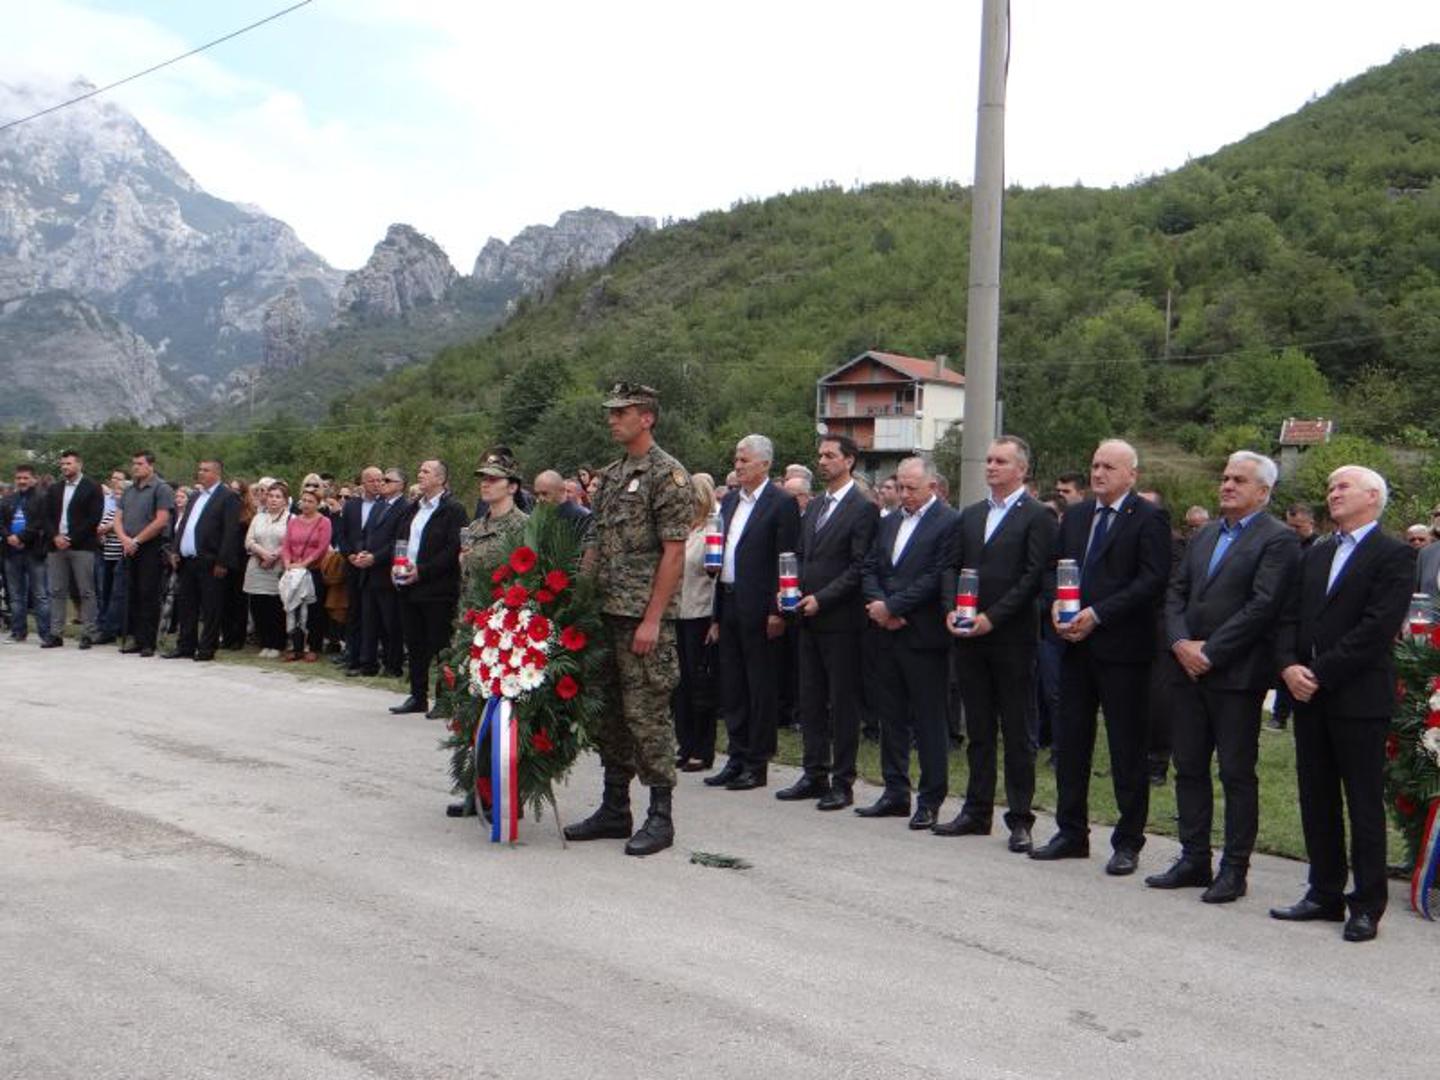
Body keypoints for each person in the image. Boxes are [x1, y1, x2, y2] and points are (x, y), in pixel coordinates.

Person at [1147, 452, 1300, 903]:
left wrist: (1210, 652)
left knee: (1235, 773)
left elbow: (1263, 605)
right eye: (1226, 477)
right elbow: (1176, 592)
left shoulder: (1278, 539)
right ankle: (1194, 858)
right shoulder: (1206, 533)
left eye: (1239, 480)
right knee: (1189, 767)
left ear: (1263, 492)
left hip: (1236, 676)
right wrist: (1180, 643)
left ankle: (1234, 869)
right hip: (1187, 672)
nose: (1227, 485)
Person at [1272, 466, 1414, 943]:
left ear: (1372, 496)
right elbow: (1289, 615)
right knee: (1317, 798)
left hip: (1357, 697)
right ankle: (1324, 891)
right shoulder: (1317, 551)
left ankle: (1367, 903)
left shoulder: (1393, 554)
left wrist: (1319, 673)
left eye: (1342, 486)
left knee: (1362, 802)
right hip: (1307, 696)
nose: (1332, 493)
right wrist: (1288, 666)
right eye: (1330, 486)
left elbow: (1377, 627)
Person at [1031, 439, 1170, 874]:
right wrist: (1057, 603)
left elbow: (1152, 581)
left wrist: (1097, 614)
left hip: (1123, 650)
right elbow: (1054, 568)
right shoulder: (1076, 515)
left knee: (1127, 748)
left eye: (1109, 467)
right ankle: (1070, 832)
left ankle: (1128, 841)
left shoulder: (1148, 517)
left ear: (1132, 475)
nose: (1098, 473)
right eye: (1094, 465)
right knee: (1072, 743)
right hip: (1075, 647)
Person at [564, 383, 692, 857]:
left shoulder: (668, 475)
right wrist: (580, 601)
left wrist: (652, 620)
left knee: (647, 715)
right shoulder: (613, 475)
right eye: (612, 412)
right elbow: (595, 543)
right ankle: (615, 807)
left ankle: (661, 815)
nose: (612, 420)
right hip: (605, 613)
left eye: (622, 412)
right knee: (610, 715)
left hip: (641, 617)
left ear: (647, 418)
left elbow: (674, 554)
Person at [935, 436, 1058, 853]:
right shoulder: (971, 515)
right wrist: (951, 609)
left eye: (1000, 461)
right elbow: (951, 566)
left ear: (1021, 469)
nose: (990, 466)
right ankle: (976, 810)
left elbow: (1033, 576)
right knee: (979, 728)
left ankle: (1020, 818)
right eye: (988, 460)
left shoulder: (1038, 516)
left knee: (1018, 731)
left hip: (1012, 639)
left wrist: (993, 617)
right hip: (969, 637)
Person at [775, 434, 878, 811]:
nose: (822, 461)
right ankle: (813, 772)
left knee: (843, 702)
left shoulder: (863, 508)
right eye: (819, 455)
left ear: (849, 461)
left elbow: (859, 566)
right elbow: (803, 554)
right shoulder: (816, 504)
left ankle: (842, 780)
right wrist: (789, 590)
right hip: (807, 617)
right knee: (811, 697)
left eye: (830, 455)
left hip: (842, 621)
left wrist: (823, 597)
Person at [856, 456, 959, 829]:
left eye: (911, 488)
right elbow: (870, 567)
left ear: (932, 487)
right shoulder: (889, 521)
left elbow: (937, 575)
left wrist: (895, 607)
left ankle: (930, 799)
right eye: (899, 486)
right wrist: (879, 606)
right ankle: (895, 791)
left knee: (929, 720)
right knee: (891, 715)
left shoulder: (948, 522)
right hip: (886, 631)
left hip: (923, 633)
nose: (903, 494)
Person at [703, 434, 801, 792]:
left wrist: (779, 610)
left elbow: (787, 559)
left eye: (744, 460)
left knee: (759, 686)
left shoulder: (781, 503)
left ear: (765, 463)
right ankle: (736, 755)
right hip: (729, 600)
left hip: (761, 608)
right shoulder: (730, 501)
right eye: (737, 459)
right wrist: (716, 615)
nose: (738, 466)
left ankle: (757, 762)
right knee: (733, 685)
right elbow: (721, 552)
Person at [389, 460, 468, 716]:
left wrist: (422, 571)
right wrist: (396, 565)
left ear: (441, 479)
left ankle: (444, 699)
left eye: (426, 471)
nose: (420, 474)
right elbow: (400, 540)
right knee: (415, 644)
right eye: (420, 470)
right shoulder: (413, 507)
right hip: (407, 586)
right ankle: (417, 696)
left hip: (437, 589)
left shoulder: (453, 510)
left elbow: (453, 549)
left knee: (440, 645)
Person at [164, 459, 241, 662]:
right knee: (187, 605)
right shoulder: (195, 496)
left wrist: (222, 562)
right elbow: (184, 524)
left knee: (211, 607)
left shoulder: (228, 497)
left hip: (210, 561)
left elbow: (230, 532)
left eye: (206, 470)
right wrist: (175, 549)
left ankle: (207, 648)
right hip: (188, 560)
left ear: (217, 473)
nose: (201, 473)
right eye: (199, 469)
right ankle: (186, 645)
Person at [673, 474, 721, 773]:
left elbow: (716, 577)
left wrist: (717, 620)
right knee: (680, 685)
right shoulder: (681, 530)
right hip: (677, 613)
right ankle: (685, 742)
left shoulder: (711, 530)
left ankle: (703, 748)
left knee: (700, 684)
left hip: (700, 613)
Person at [39, 450, 103, 648]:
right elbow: (46, 516)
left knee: (86, 591)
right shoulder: (55, 488)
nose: (65, 467)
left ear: (79, 464)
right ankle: (56, 633)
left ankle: (88, 633)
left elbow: (94, 517)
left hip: (82, 546)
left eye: (68, 463)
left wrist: (71, 538)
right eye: (63, 464)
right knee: (56, 590)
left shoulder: (92, 487)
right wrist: (55, 536)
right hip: (56, 546)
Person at [1269, 502, 1323, 731]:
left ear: (1311, 523)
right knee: (1285, 664)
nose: (1293, 531)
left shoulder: (1321, 547)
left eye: (1298, 527)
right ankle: (1279, 714)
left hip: (1307, 614)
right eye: (1289, 526)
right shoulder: (1283, 545)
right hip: (1283, 611)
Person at [351, 468, 408, 679]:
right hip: (369, 573)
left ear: (401, 485)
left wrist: (375, 557)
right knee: (369, 621)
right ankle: (368, 663)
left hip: (387, 573)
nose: (382, 483)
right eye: (382, 479)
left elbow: (399, 541)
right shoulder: (379, 505)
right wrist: (361, 552)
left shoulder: (405, 508)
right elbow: (365, 533)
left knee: (391, 623)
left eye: (388, 480)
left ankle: (393, 665)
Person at [337, 467, 385, 670]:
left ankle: (370, 658)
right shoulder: (352, 506)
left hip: (376, 567)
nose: (377, 484)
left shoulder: (385, 505)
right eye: (372, 480)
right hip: (353, 565)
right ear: (363, 483)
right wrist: (350, 555)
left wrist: (372, 557)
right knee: (354, 612)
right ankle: (352, 655)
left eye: (380, 480)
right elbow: (342, 534)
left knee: (372, 615)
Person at [461, 449, 529, 584]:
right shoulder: (475, 527)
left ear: (512, 487)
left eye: (493, 479)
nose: (484, 484)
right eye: (484, 479)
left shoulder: (525, 527)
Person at [1, 464, 51, 644]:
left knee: (40, 594)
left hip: (34, 551)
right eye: (18, 478)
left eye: (25, 478)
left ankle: (46, 634)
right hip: (11, 552)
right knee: (15, 595)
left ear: (33, 479)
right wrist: (9, 537)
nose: (21, 481)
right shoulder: (8, 499)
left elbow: (40, 523)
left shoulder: (42, 498)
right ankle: (18, 632)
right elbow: (1, 522)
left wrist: (21, 537)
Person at [281, 486, 332, 662]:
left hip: (313, 571)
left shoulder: (324, 522)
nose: (306, 504)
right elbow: (286, 544)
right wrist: (287, 563)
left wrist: (305, 563)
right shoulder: (293, 521)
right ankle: (296, 646)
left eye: (310, 501)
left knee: (313, 609)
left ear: (318, 504)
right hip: (294, 571)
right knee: (293, 607)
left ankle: (313, 646)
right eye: (303, 501)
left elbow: (322, 547)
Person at [244, 482, 290, 659]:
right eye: (271, 496)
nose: (273, 500)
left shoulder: (290, 518)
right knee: (258, 606)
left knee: (275, 607)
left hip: (278, 567)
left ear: (285, 500)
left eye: (278, 497)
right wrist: (263, 554)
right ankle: (264, 642)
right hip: (257, 566)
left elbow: (289, 542)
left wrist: (273, 557)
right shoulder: (258, 517)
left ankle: (277, 643)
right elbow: (249, 541)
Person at [94, 472, 128, 645]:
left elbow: (120, 526)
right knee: (105, 591)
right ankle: (105, 623)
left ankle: (115, 627)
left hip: (121, 555)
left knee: (118, 593)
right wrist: (105, 529)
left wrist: (111, 527)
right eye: (116, 493)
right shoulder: (112, 511)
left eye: (121, 493)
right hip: (107, 555)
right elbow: (101, 528)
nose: (118, 495)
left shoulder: (127, 511)